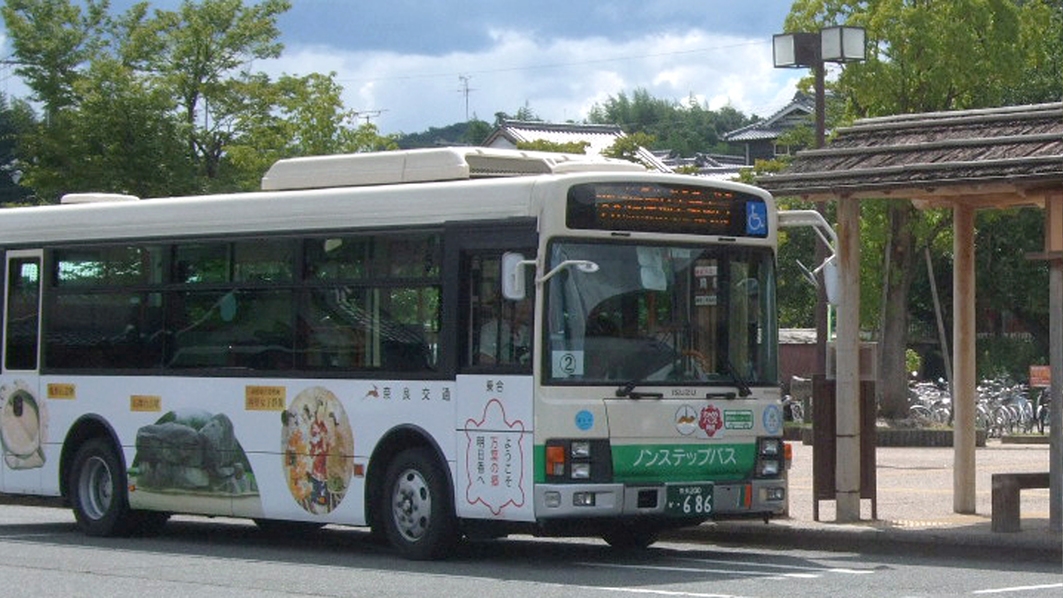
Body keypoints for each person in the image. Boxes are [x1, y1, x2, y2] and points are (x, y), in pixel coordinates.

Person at [478, 299, 532, 365]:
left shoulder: (528, 332)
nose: (518, 316)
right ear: (506, 310)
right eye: (515, 311)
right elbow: (483, 357)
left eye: (524, 313)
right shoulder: (491, 329)